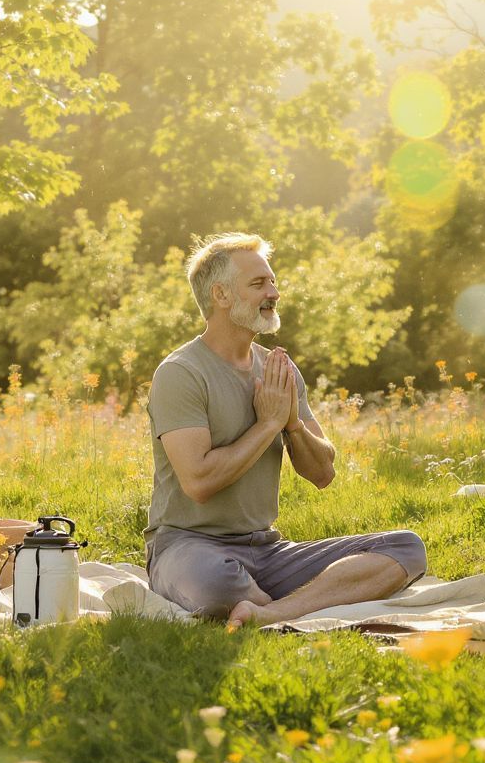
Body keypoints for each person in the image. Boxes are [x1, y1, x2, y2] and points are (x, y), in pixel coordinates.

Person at [145, 232, 426, 628]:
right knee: (216, 585)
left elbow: (322, 474)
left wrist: (292, 424)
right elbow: (200, 481)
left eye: (273, 281)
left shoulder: (279, 370)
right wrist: (268, 425)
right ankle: (279, 600)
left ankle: (271, 611)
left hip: (266, 549)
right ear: (221, 295)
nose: (273, 292)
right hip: (188, 546)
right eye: (259, 283)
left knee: (405, 548)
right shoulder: (180, 373)